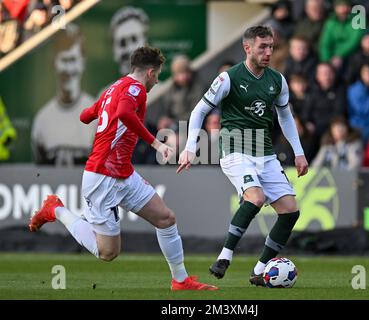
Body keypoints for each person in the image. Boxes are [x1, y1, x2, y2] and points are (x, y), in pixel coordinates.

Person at [28, 46, 218, 291]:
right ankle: (55, 209)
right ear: (150, 72)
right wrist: (155, 143)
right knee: (108, 253)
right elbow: (125, 113)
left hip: (123, 173)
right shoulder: (136, 89)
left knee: (166, 218)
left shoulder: (113, 88)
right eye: (158, 74)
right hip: (102, 176)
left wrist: (102, 114)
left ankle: (180, 280)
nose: (158, 80)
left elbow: (85, 116)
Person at [177, 26, 309, 286]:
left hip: (265, 151)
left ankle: (260, 270)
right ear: (247, 48)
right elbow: (199, 111)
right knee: (256, 197)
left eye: (271, 46)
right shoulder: (228, 78)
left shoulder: (277, 80)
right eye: (262, 47)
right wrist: (191, 147)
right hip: (235, 149)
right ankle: (225, 256)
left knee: (290, 211)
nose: (268, 52)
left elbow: (285, 116)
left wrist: (299, 152)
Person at [31, 24, 96, 165]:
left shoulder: (99, 116)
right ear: (54, 62)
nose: (68, 69)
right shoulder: (42, 120)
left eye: (73, 60)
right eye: (63, 60)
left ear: (82, 63)